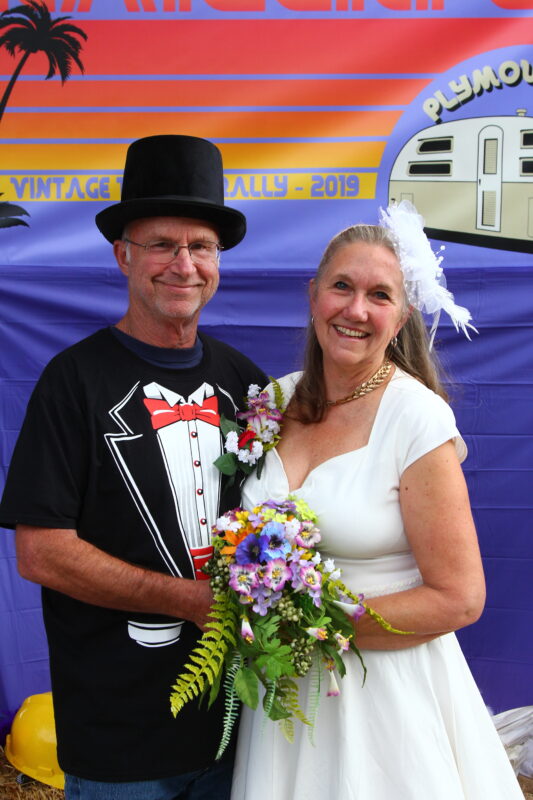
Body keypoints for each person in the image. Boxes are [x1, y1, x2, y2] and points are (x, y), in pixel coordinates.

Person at [0, 135, 267, 800]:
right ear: (123, 255)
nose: (184, 265)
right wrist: (188, 600)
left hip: (241, 733)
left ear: (218, 261)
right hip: (118, 740)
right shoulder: (73, 381)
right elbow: (42, 552)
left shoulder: (247, 383)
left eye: (200, 247)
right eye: (161, 245)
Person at [230, 202, 523, 800]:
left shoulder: (416, 419)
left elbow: (460, 598)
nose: (356, 309)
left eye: (379, 295)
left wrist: (314, 625)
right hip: (286, 700)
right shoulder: (273, 402)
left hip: (382, 698)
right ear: (314, 295)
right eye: (342, 286)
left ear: (401, 316)